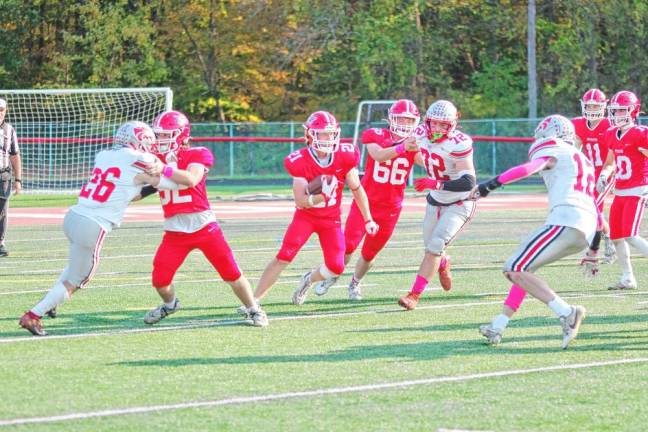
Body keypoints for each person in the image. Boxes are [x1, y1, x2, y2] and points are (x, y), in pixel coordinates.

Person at [18, 121, 159, 336]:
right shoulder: (138, 159)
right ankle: (34, 315)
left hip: (74, 216)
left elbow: (132, 194)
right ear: (138, 141)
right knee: (78, 278)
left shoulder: (104, 156)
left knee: (75, 265)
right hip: (93, 225)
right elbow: (164, 178)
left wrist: (152, 187)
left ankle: (51, 303)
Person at [477, 114, 594, 349]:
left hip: (566, 218)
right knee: (524, 269)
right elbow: (597, 210)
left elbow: (532, 167)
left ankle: (568, 313)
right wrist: (595, 248)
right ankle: (498, 325)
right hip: (585, 228)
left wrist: (490, 184)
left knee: (513, 267)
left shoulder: (552, 148)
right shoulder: (581, 159)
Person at [142, 110, 268, 327]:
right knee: (160, 281)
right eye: (159, 135)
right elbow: (143, 188)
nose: (161, 140)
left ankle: (254, 309)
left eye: (166, 135)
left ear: (181, 135)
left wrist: (161, 169)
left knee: (231, 273)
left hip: (204, 227)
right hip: (174, 231)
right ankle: (170, 304)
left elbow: (191, 179)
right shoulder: (156, 160)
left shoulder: (197, 154)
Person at [244, 111, 378, 309]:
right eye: (321, 134)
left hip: (331, 220)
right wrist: (321, 196)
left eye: (330, 134)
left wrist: (368, 219)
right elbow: (301, 200)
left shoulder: (345, 155)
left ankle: (308, 279)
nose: (327, 138)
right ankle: (253, 300)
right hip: (306, 217)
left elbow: (357, 189)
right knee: (284, 256)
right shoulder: (299, 160)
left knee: (336, 266)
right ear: (309, 135)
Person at [312, 99, 421, 301]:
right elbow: (378, 155)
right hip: (367, 202)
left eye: (409, 120)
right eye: (401, 119)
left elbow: (428, 162)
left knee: (370, 253)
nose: (405, 124)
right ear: (391, 118)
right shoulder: (375, 134)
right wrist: (403, 146)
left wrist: (432, 147)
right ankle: (332, 275)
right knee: (348, 245)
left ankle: (355, 283)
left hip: (391, 208)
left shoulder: (415, 143)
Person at [398, 100, 476, 310]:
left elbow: (469, 182)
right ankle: (443, 262)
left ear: (453, 125)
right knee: (431, 249)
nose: (438, 129)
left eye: (444, 125)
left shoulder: (459, 143)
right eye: (435, 123)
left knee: (434, 247)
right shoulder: (420, 133)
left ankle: (414, 295)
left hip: (460, 201)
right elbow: (410, 150)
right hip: (435, 200)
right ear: (427, 121)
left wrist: (437, 182)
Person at [596, 90, 648, 290]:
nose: (616, 115)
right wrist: (604, 175)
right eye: (614, 111)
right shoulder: (610, 134)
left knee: (631, 234)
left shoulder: (641, 133)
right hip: (620, 191)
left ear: (632, 112)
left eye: (620, 111)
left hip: (637, 190)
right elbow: (610, 162)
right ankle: (628, 278)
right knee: (617, 236)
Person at [571, 88, 616, 262]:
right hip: (589, 173)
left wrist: (605, 174)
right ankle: (608, 239)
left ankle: (605, 243)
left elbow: (613, 156)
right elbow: (576, 147)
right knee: (591, 209)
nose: (591, 110)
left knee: (594, 208)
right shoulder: (578, 124)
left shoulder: (609, 125)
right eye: (588, 106)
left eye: (594, 106)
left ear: (603, 107)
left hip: (607, 171)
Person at [0, 98, 22, 257]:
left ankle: (0, 243)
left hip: (3, 175)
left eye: (2, 109)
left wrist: (18, 180)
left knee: (2, 211)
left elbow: (15, 155)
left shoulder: (9, 130)